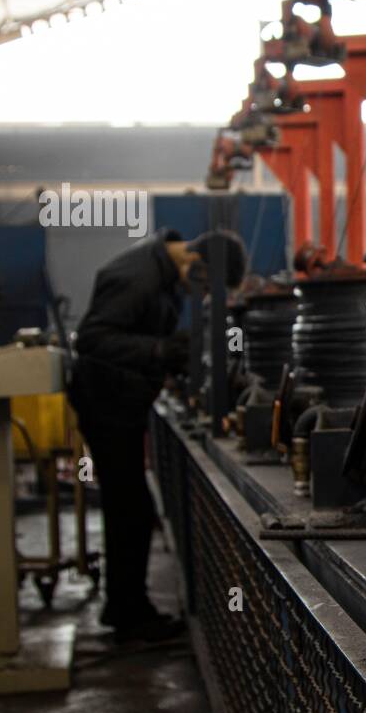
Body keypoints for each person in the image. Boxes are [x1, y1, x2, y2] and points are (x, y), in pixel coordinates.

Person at [70, 229, 247, 641]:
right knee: (128, 506)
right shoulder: (138, 276)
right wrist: (159, 351)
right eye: (207, 288)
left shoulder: (161, 269)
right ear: (198, 265)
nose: (201, 296)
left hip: (119, 402)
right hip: (105, 405)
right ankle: (127, 614)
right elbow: (93, 338)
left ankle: (127, 607)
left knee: (130, 505)